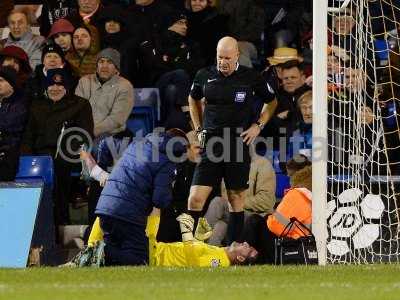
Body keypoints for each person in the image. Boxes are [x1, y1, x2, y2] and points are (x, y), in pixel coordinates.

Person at [184, 36, 277, 244]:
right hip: (212, 145)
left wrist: (258, 126)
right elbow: (193, 98)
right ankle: (190, 247)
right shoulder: (204, 75)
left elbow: (271, 102)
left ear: (237, 56)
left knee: (236, 199)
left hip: (237, 144)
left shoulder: (250, 77)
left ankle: (234, 248)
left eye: (227, 57)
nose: (222, 62)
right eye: (219, 57)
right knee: (195, 198)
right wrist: (199, 128)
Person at [94, 128, 200, 265]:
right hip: (127, 213)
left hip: (105, 207)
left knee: (115, 258)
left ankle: (100, 253)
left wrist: (102, 164)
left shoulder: (138, 143)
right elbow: (160, 199)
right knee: (142, 260)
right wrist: (169, 189)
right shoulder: (167, 159)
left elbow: (105, 144)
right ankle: (98, 252)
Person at [21, 68, 94, 225]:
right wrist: (27, 158)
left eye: (60, 85)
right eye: (51, 85)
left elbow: (84, 135)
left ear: (66, 87)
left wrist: (65, 152)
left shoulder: (80, 104)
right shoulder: (36, 106)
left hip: (67, 154)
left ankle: (60, 223)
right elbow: (28, 136)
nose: (55, 89)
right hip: (40, 154)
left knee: (57, 170)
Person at [66, 208, 258, 267]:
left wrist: (186, 232)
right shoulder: (220, 250)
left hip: (154, 256)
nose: (246, 243)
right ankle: (91, 248)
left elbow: (194, 263)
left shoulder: (221, 261)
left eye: (247, 248)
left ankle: (91, 248)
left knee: (148, 211)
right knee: (112, 213)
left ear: (240, 258)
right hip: (156, 248)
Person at [241, 154, 312, 264]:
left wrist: (271, 214)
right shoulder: (312, 190)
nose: (287, 177)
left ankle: (241, 258)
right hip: (303, 240)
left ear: (294, 174)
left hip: (291, 243)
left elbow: (279, 226)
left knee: (254, 221)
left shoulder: (297, 194)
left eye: (288, 174)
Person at [204, 150, 276, 246]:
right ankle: (213, 259)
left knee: (218, 202)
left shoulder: (262, 164)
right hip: (233, 214)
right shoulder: (229, 165)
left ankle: (196, 242)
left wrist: (236, 202)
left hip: (255, 216)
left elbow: (266, 201)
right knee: (218, 227)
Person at [75, 48, 134, 138]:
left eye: (110, 62)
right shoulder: (84, 81)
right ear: (97, 66)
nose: (104, 66)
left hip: (112, 134)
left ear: (116, 68)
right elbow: (77, 110)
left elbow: (117, 119)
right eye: (101, 62)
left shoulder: (125, 86)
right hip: (83, 132)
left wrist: (92, 132)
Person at [0, 67, 28, 181]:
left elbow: (9, 124)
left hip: (11, 151)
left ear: (12, 84)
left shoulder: (21, 104)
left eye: (1, 80)